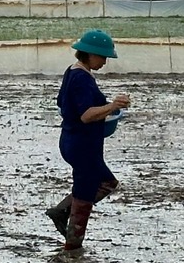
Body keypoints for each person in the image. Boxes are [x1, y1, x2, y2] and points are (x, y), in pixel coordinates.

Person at [46, 29, 130, 251]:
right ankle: (73, 247)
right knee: (86, 190)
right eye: (102, 57)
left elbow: (62, 104)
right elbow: (86, 115)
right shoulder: (82, 79)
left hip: (72, 141)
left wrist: (105, 110)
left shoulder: (72, 72)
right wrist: (112, 106)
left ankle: (62, 211)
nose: (104, 62)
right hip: (83, 146)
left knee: (107, 183)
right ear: (89, 54)